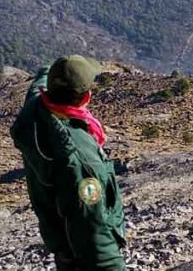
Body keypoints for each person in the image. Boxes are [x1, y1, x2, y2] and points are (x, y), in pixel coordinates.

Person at [11, 55, 126, 271]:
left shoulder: (36, 109)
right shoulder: (80, 159)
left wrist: (57, 69)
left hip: (62, 243)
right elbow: (92, 225)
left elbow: (39, 83)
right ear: (85, 97)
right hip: (82, 257)